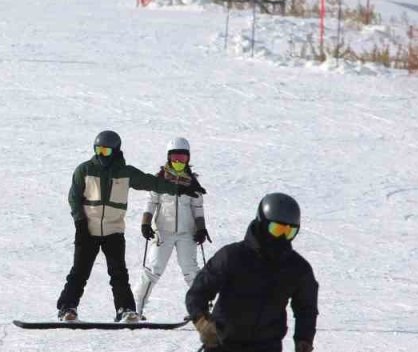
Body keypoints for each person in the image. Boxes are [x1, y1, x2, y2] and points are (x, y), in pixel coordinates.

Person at [56, 131, 201, 323]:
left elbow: (152, 182)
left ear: (115, 151)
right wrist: (80, 222)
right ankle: (67, 308)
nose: (101, 155)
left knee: (118, 274)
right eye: (98, 150)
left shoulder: (125, 172)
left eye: (106, 151)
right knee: (79, 272)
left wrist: (180, 189)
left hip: (114, 231)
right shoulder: (84, 170)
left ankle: (126, 310)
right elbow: (74, 198)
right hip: (87, 230)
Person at [187, 193, 318, 352]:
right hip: (223, 345)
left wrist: (304, 339)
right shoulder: (232, 257)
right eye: (277, 230)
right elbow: (198, 293)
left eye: (289, 232)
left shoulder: (297, 268)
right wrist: (203, 323)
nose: (283, 237)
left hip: (267, 347)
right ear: (262, 223)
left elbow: (306, 308)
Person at [134, 138, 209, 317]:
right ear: (168, 158)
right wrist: (145, 223)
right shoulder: (159, 180)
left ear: (188, 159)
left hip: (187, 233)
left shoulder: (193, 183)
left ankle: (201, 309)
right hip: (163, 232)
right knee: (153, 269)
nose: (178, 162)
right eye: (175, 158)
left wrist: (201, 228)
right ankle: (136, 309)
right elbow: (151, 202)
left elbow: (197, 208)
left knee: (191, 271)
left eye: (182, 158)